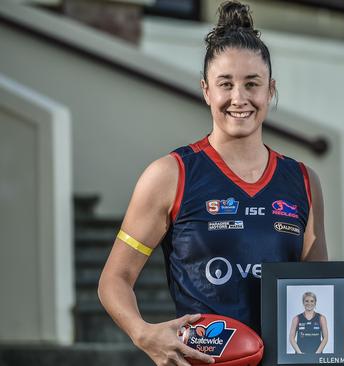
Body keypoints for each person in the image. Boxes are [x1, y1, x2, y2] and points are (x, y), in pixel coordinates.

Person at [97, 2, 327, 365]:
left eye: (252, 84)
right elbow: (114, 279)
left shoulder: (302, 180)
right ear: (206, 90)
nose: (239, 98)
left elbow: (319, 290)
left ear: (270, 90)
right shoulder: (170, 174)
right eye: (226, 84)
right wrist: (143, 332)